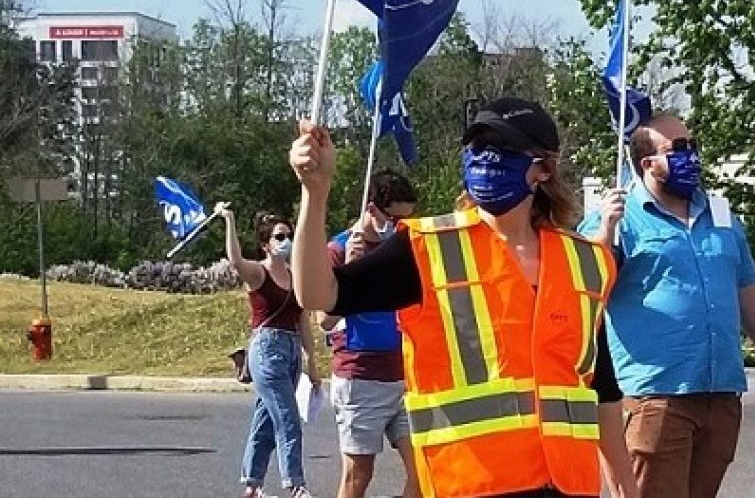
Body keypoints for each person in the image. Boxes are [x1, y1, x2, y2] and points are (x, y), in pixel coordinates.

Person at [289, 97, 639, 498]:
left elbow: (603, 390)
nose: (486, 158)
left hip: (568, 486)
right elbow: (318, 292)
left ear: (543, 168)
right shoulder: (427, 248)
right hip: (469, 485)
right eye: (477, 147)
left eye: (503, 148)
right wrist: (315, 194)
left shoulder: (587, 261)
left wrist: (626, 488)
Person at [578, 114, 755, 498]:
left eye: (692, 146)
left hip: (721, 394)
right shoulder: (616, 216)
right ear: (647, 163)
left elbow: (746, 291)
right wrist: (604, 234)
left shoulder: (722, 215)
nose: (690, 156)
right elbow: (582, 289)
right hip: (655, 396)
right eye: (677, 149)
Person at [317, 169, 420, 498]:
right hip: (360, 377)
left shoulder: (403, 252)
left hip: (404, 375)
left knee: (426, 470)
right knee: (358, 474)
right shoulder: (340, 249)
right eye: (396, 218)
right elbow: (324, 320)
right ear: (373, 210)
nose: (402, 227)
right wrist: (350, 271)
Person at [217, 204, 321, 498]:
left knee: (265, 419)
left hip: (290, 351)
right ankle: (296, 484)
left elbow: (302, 318)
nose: (285, 241)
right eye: (279, 236)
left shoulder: (294, 275)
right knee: (288, 419)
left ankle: (252, 485)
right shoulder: (259, 273)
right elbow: (235, 260)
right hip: (267, 349)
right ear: (266, 244)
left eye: (288, 235)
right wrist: (230, 220)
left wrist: (312, 361)